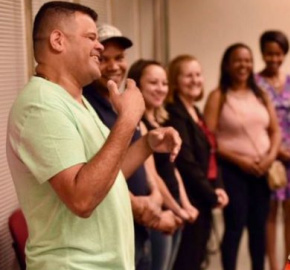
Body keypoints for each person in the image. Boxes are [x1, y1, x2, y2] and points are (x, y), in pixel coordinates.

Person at [6, 2, 180, 269]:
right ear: (58, 40)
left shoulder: (76, 101)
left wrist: (146, 143)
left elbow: (107, 175)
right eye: (91, 37)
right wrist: (128, 119)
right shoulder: (40, 104)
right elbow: (82, 198)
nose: (100, 46)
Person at [83, 25, 182, 270]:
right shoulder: (86, 106)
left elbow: (144, 163)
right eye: (104, 59)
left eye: (119, 58)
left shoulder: (126, 99)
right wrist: (150, 212)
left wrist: (156, 197)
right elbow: (96, 176)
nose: (114, 66)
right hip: (116, 230)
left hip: (141, 228)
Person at [204, 43, 281, 270]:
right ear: (227, 65)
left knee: (259, 228)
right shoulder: (218, 96)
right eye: (237, 60)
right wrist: (241, 161)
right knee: (235, 227)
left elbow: (275, 131)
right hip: (232, 171)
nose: (243, 65)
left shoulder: (261, 95)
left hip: (262, 170)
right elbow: (209, 140)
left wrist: (270, 157)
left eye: (247, 60)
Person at [127, 58, 203, 270]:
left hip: (173, 206)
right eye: (153, 83)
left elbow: (173, 169)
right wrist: (177, 209)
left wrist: (184, 204)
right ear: (136, 85)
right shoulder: (139, 124)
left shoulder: (161, 121)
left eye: (164, 83)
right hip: (159, 210)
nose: (160, 88)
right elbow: (154, 176)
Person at [163, 55, 229, 270]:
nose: (195, 80)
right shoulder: (175, 114)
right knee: (187, 262)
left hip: (203, 198)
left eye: (198, 75)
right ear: (175, 80)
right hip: (190, 200)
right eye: (188, 75)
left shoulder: (195, 112)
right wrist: (211, 195)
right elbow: (186, 162)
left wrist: (218, 187)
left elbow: (211, 153)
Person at [255, 30, 290, 270]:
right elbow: (257, 121)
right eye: (269, 53)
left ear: (284, 54)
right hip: (271, 154)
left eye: (278, 54)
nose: (274, 58)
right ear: (263, 53)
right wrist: (275, 150)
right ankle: (274, 265)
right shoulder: (255, 83)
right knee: (270, 213)